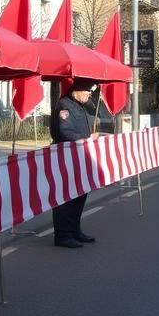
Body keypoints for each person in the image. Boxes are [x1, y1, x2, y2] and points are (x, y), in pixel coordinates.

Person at [50, 79, 99, 249]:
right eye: (86, 91)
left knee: (79, 194)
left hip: (79, 156)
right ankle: (63, 235)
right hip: (65, 157)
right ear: (76, 90)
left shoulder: (81, 105)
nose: (89, 94)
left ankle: (75, 230)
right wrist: (86, 139)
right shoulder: (65, 105)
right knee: (66, 197)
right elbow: (64, 132)